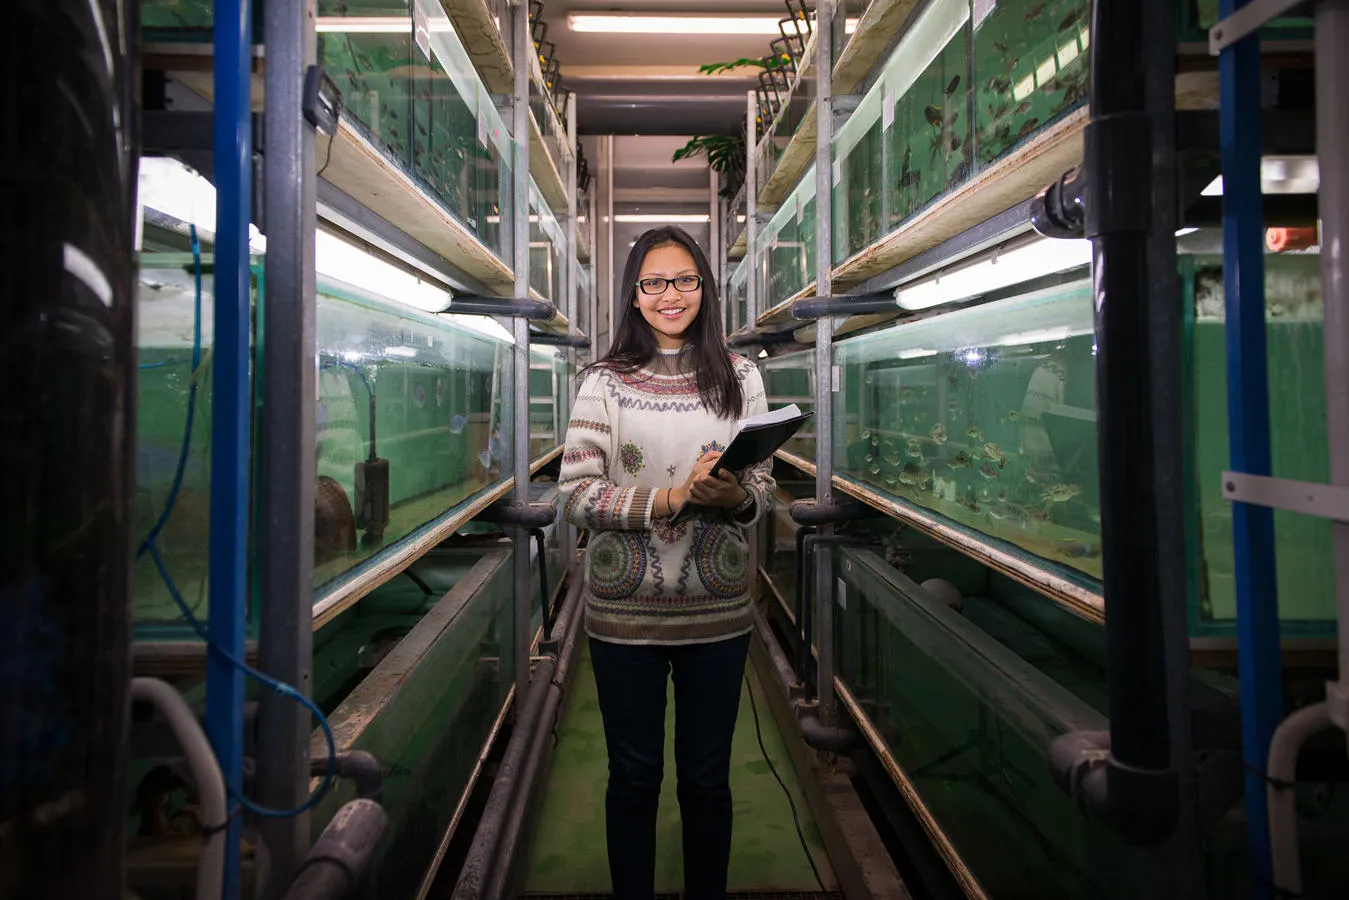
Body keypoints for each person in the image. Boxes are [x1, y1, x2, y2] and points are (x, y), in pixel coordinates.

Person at [558, 226, 776, 899]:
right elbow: (576, 495)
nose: (669, 295)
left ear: (705, 288)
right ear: (632, 295)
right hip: (625, 616)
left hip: (718, 614)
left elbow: (764, 491)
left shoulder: (741, 377)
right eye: (653, 282)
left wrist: (734, 493)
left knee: (707, 780)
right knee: (633, 778)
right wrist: (673, 497)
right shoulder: (604, 381)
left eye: (684, 279)